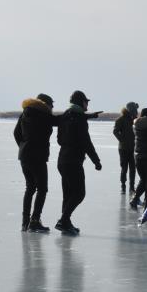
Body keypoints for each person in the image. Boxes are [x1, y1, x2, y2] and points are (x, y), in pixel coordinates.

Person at [55, 91, 102, 235]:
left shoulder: (66, 116)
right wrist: (96, 161)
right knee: (79, 193)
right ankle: (63, 220)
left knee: (68, 194)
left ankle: (66, 223)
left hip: (62, 160)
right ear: (80, 102)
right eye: (86, 101)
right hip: (73, 161)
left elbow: (59, 139)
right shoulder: (79, 119)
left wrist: (91, 116)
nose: (87, 104)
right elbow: (86, 142)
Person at [13, 93, 56, 233]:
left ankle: (25, 222)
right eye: (51, 104)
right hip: (37, 157)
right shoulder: (42, 114)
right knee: (42, 189)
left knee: (30, 187)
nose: (52, 107)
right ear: (45, 104)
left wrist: (23, 146)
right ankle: (35, 221)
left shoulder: (26, 113)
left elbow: (16, 133)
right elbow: (58, 120)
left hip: (24, 156)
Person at [113, 101, 138, 195]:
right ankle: (123, 186)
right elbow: (115, 131)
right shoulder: (121, 119)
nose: (136, 111)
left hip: (133, 148)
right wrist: (122, 140)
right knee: (124, 168)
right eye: (134, 109)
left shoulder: (135, 120)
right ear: (130, 109)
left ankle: (132, 187)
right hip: (123, 148)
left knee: (133, 168)